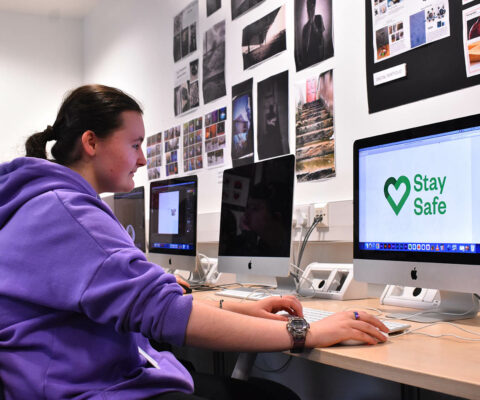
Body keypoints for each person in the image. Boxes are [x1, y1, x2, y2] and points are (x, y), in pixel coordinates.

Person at [0, 84, 388, 399]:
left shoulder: (47, 203)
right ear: (91, 142)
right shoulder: (67, 213)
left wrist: (242, 308)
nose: (141, 161)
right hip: (88, 388)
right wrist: (308, 333)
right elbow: (164, 312)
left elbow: (146, 296)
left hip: (69, 378)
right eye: (135, 145)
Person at [300, 0, 326, 69]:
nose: (310, 9)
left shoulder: (319, 18)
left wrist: (313, 23)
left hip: (318, 58)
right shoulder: (305, 27)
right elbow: (303, 48)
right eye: (308, 7)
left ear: (314, 6)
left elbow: (320, 40)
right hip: (308, 62)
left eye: (312, 6)